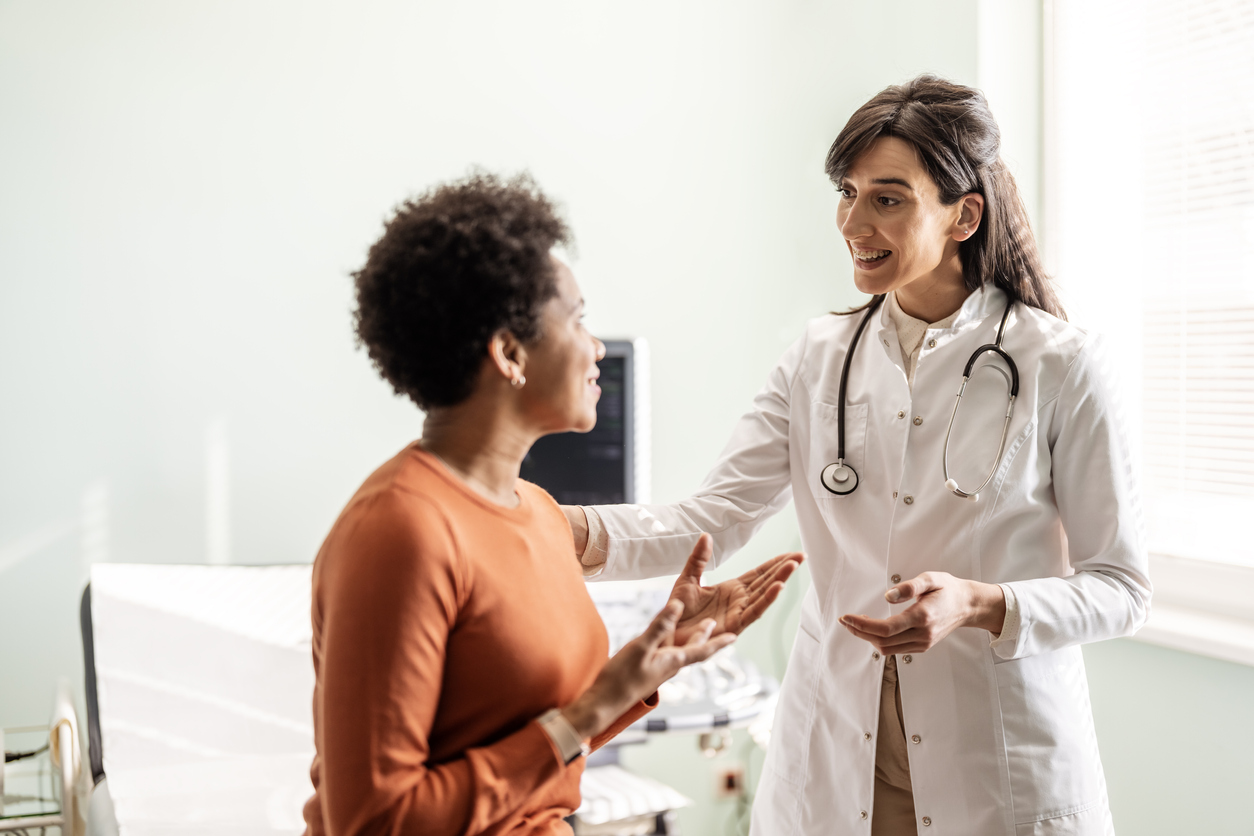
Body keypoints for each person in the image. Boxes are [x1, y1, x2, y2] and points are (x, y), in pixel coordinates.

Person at [564, 75, 1151, 836]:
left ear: (964, 214)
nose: (853, 221)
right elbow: (714, 518)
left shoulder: (1059, 364)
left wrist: (982, 603)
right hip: (839, 753)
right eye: (847, 192)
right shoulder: (819, 357)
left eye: (888, 197)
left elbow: (1121, 587)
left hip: (995, 761)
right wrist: (548, 532)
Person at [300, 172, 802, 836]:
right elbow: (373, 822)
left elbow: (544, 740)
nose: (597, 348)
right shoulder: (399, 531)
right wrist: (593, 709)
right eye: (579, 318)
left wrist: (650, 665)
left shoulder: (535, 511)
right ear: (509, 352)